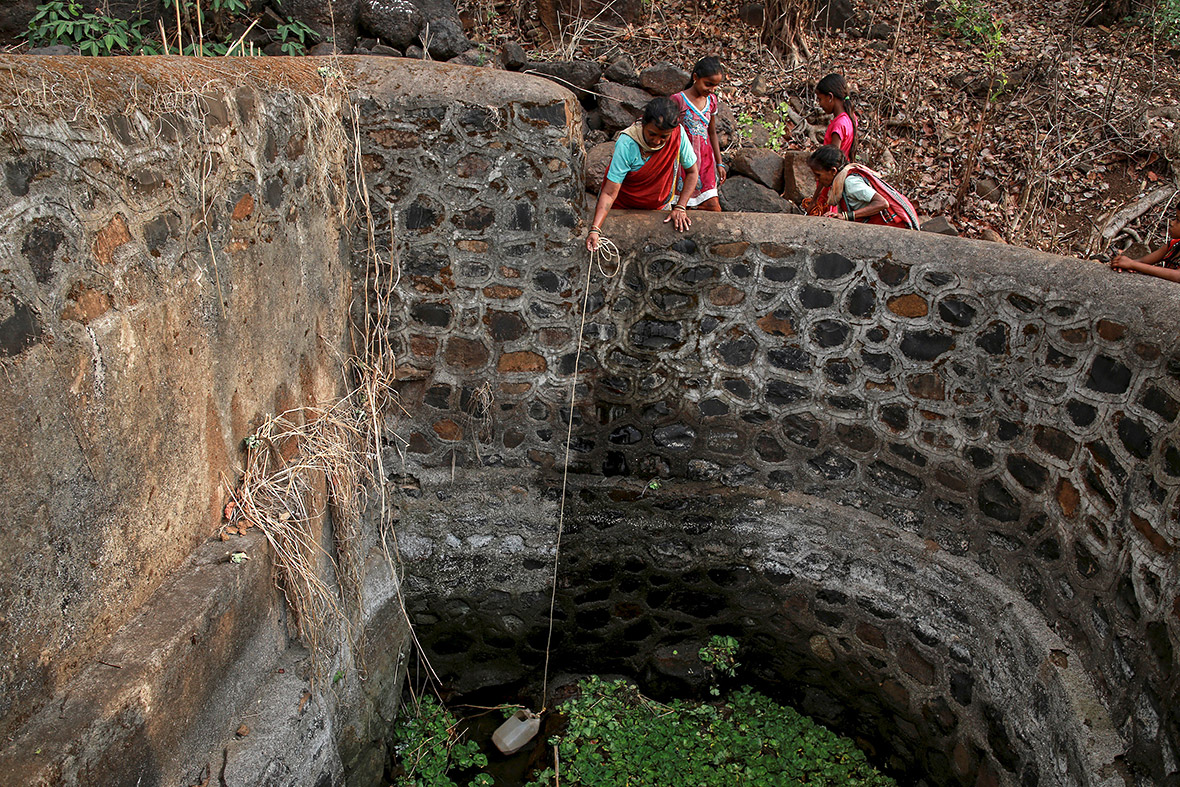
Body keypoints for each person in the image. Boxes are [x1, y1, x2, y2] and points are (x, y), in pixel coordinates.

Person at [587, 97, 699, 252]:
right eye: (652, 134)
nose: (657, 141)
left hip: (659, 206)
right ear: (643, 125)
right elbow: (609, 192)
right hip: (623, 206)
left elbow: (692, 172)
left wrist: (680, 207)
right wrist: (595, 229)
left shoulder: (678, 135)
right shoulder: (627, 143)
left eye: (663, 137)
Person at [807, 145, 920, 229]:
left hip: (895, 226)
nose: (817, 179)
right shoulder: (844, 178)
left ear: (833, 171)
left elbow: (882, 203)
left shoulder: (851, 183)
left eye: (818, 175)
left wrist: (847, 216)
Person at [671, 56, 727, 211]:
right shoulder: (678, 100)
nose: (711, 89)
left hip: (705, 159)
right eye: (708, 84)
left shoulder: (712, 101)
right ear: (695, 77)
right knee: (681, 204)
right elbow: (669, 131)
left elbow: (712, 132)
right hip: (683, 159)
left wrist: (719, 162)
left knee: (714, 207)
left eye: (715, 86)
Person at [1110, 206, 1180, 282]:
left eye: (1178, 220)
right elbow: (1142, 261)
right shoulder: (1173, 245)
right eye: (1175, 218)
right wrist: (1121, 263)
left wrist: (1132, 264)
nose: (1172, 223)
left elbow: (1178, 276)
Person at [816, 72, 858, 161]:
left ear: (830, 97)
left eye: (820, 99)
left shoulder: (839, 124)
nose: (819, 104)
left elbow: (832, 160)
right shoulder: (850, 117)